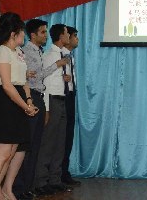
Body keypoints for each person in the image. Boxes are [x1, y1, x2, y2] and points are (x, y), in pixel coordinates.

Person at [0, 12, 38, 200]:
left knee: (10, 152)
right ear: (13, 33)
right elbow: (6, 85)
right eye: (22, 31)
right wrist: (24, 106)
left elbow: (23, 81)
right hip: (5, 102)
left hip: (18, 100)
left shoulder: (18, 52)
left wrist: (28, 101)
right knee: (2, 153)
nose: (24, 35)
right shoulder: (2, 51)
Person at [11, 19, 63, 198]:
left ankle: (28, 186)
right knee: (26, 144)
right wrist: (56, 65)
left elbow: (38, 77)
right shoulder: (26, 52)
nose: (46, 35)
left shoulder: (39, 52)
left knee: (35, 145)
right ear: (32, 35)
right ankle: (18, 188)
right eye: (42, 32)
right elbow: (35, 76)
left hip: (39, 96)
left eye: (46, 32)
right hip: (30, 96)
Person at [33, 24, 72, 197]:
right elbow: (44, 82)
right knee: (48, 143)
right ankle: (41, 181)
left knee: (59, 142)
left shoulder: (65, 55)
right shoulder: (50, 56)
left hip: (62, 100)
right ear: (60, 37)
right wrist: (47, 108)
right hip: (52, 101)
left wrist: (66, 79)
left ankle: (55, 179)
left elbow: (57, 79)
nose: (68, 37)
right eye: (67, 34)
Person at [60, 26, 81, 186]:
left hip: (70, 96)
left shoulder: (70, 56)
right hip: (61, 98)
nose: (76, 39)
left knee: (68, 136)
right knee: (62, 137)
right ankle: (58, 173)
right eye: (74, 36)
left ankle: (64, 172)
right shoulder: (58, 55)